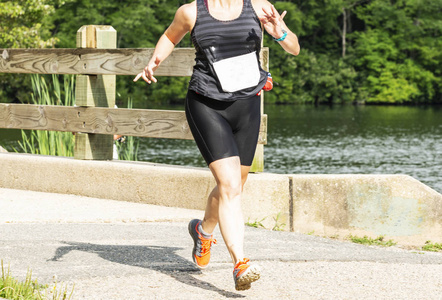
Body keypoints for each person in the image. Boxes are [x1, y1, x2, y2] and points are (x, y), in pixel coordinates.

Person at [134, 0, 299, 291]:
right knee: (229, 185)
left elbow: (294, 48)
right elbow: (171, 36)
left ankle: (203, 230)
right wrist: (153, 61)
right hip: (206, 104)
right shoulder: (191, 12)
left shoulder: (259, 7)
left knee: (235, 184)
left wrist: (279, 33)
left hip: (247, 105)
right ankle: (240, 263)